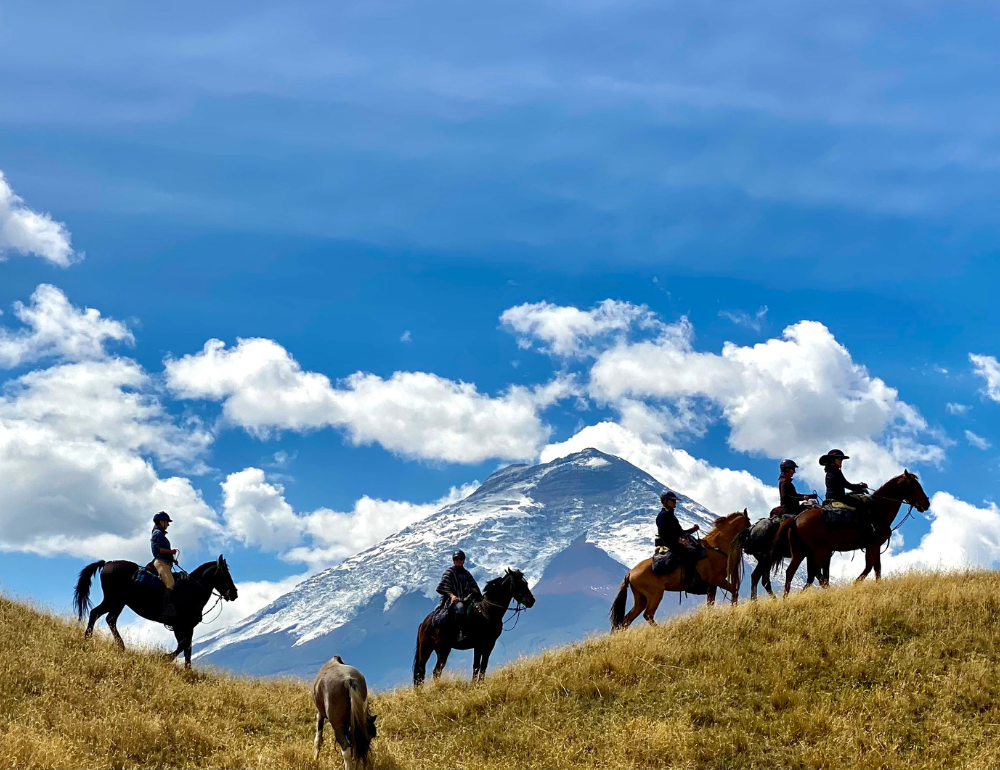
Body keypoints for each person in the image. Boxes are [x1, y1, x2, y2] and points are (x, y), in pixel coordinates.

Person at [654, 491, 701, 586]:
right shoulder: (663, 515)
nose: (675, 503)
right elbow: (663, 534)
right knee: (691, 553)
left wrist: (692, 530)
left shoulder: (670, 514)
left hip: (674, 542)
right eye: (672, 500)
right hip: (670, 544)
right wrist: (678, 541)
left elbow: (680, 532)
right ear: (665, 502)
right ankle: (689, 582)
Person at [435, 550, 482, 620]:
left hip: (468, 599)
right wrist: (452, 596)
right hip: (452, 601)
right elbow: (445, 586)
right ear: (453, 561)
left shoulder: (467, 574)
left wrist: (476, 592)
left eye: (461, 559)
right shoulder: (449, 572)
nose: (459, 560)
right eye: (456, 559)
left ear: (463, 560)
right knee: (460, 607)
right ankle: (460, 630)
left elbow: (474, 586)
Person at [151, 511, 179, 620]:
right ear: (161, 522)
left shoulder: (160, 533)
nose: (168, 525)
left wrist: (172, 559)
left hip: (166, 562)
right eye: (166, 522)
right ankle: (166, 610)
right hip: (161, 562)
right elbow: (156, 550)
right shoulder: (157, 533)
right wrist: (170, 552)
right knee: (170, 583)